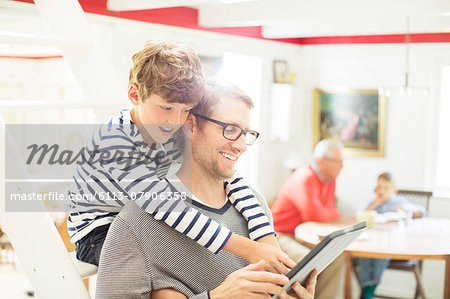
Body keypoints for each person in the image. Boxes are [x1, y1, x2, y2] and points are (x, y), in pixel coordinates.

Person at [67, 40, 290, 273]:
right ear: (135, 94)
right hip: (97, 234)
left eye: (185, 110)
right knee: (178, 258)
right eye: (167, 108)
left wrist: (265, 237)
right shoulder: (114, 141)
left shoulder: (168, 128)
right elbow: (167, 207)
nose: (175, 120)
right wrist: (250, 250)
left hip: (138, 219)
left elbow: (231, 179)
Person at [95, 79, 317, 299]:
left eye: (246, 134)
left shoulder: (255, 203)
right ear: (191, 126)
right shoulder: (135, 224)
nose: (241, 146)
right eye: (230, 130)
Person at [270, 138, 345, 299]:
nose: (342, 166)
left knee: (337, 258)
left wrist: (329, 213)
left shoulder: (330, 180)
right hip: (280, 236)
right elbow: (316, 215)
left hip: (303, 236)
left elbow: (328, 212)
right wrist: (332, 214)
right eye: (338, 161)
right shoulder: (305, 178)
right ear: (322, 161)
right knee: (316, 264)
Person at [356, 172, 427, 299]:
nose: (381, 191)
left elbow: (422, 212)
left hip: (391, 245)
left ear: (394, 190)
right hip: (372, 242)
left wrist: (406, 208)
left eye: (385, 187)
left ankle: (370, 287)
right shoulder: (374, 203)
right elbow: (362, 219)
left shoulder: (398, 202)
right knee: (363, 254)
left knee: (381, 255)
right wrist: (373, 205)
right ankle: (367, 285)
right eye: (378, 187)